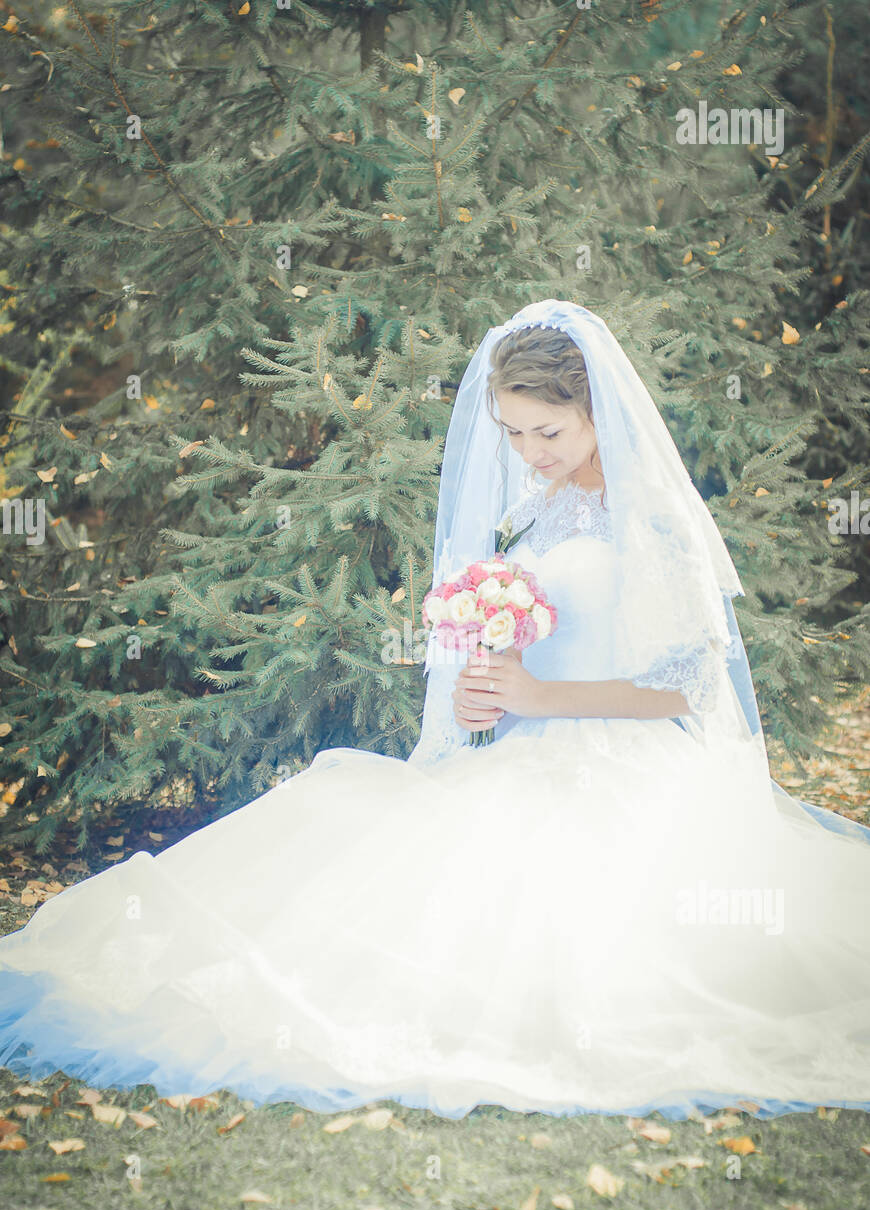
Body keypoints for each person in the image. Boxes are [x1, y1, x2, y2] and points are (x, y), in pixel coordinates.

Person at [1, 300, 868, 1122]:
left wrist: (542, 697)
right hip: (523, 746)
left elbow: (693, 687)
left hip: (623, 762)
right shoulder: (534, 511)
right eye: (515, 431)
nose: (531, 451)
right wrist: (481, 688)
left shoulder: (652, 525)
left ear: (597, 409)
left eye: (550, 431)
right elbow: (525, 635)